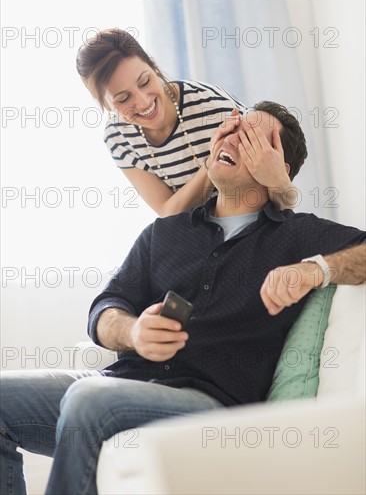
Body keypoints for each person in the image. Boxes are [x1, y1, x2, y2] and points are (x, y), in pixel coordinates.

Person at [1, 102, 365, 495]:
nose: (232, 136)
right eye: (232, 126)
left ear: (278, 167)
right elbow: (105, 308)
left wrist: (315, 270)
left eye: (252, 139)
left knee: (90, 399)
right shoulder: (165, 233)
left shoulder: (296, 236)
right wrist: (133, 331)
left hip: (209, 405)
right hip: (122, 381)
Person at [76, 28, 297, 216]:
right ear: (104, 104)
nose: (143, 102)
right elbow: (168, 212)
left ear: (153, 67)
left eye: (145, 81)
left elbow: (272, 191)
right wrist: (212, 161)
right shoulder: (118, 137)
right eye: (123, 98)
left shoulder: (213, 108)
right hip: (192, 239)